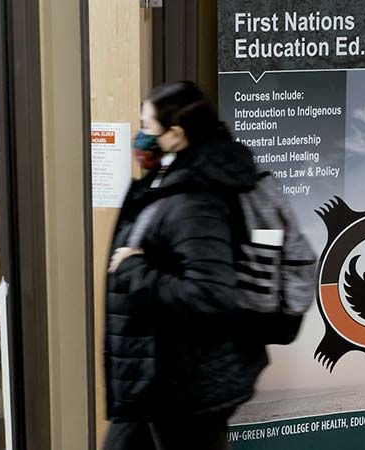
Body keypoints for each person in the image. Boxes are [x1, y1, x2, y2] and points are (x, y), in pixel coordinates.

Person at [103, 81, 268, 450]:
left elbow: (210, 294)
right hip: (155, 374)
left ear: (175, 134)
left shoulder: (194, 201)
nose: (140, 135)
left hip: (186, 386)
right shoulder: (170, 179)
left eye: (147, 126)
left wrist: (135, 271)